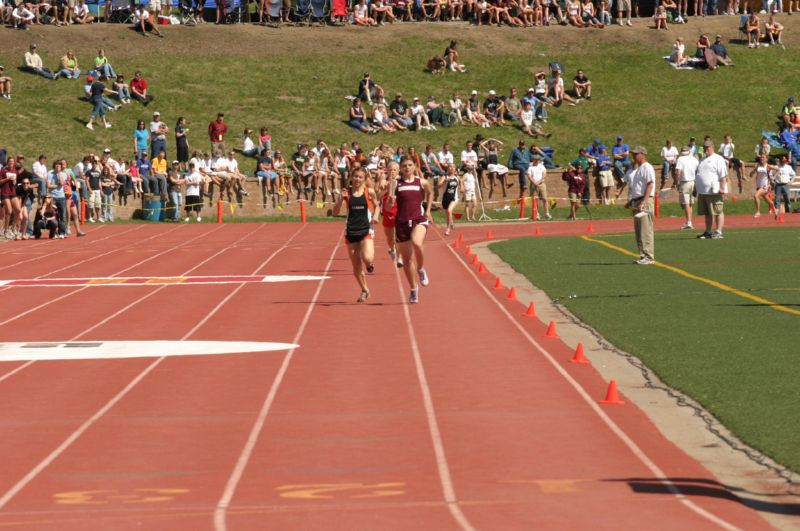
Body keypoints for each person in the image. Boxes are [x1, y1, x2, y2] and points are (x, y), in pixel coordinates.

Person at [388, 157, 432, 304]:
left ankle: (420, 269)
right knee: (406, 260)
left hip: (419, 219)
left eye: (410, 165)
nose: (407, 168)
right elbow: (388, 207)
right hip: (401, 223)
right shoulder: (396, 184)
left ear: (414, 167)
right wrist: (389, 202)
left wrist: (428, 210)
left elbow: (430, 192)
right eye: (404, 165)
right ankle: (413, 289)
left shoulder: (421, 182)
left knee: (417, 243)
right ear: (400, 168)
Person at [333, 168, 378, 303]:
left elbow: (377, 205)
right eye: (355, 177)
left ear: (364, 179)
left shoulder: (368, 192)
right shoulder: (346, 193)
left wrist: (375, 215)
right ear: (351, 177)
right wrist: (340, 200)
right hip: (351, 231)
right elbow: (335, 213)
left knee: (367, 257)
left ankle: (369, 264)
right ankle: (365, 290)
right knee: (356, 267)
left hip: (366, 229)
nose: (357, 179)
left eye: (360, 177)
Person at [626, 146, 656, 265]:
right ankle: (643, 255)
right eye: (633, 154)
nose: (633, 156)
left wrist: (644, 201)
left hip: (644, 201)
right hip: (638, 201)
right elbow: (639, 188)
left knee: (645, 229)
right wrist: (631, 201)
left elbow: (650, 184)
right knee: (639, 231)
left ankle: (649, 256)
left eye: (636, 154)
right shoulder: (639, 169)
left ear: (643, 154)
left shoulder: (647, 167)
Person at [695, 139, 728, 239]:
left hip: (714, 191)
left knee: (718, 211)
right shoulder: (702, 159)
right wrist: (696, 189)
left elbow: (723, 175)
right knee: (708, 212)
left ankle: (718, 231)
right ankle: (708, 231)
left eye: (707, 147)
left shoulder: (718, 159)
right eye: (704, 147)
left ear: (712, 147)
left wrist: (722, 188)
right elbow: (698, 174)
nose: (706, 149)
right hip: (703, 192)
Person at [673, 145, 698, 229]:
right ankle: (689, 221)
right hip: (693, 182)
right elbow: (698, 170)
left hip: (685, 182)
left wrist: (676, 182)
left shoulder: (680, 159)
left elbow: (677, 172)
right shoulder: (694, 159)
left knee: (686, 203)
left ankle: (689, 222)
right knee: (690, 203)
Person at [526, 154, 551, 220]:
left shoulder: (541, 166)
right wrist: (534, 182)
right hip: (533, 184)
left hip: (541, 184)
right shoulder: (530, 167)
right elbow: (529, 176)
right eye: (535, 159)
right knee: (535, 200)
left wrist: (539, 181)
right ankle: (536, 214)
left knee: (545, 199)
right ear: (533, 160)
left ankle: (547, 213)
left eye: (538, 160)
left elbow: (544, 174)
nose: (537, 161)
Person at [439, 164, 460, 235]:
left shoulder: (457, 178)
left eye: (453, 167)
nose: (451, 168)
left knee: (449, 211)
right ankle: (451, 222)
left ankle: (448, 229)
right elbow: (438, 186)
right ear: (448, 169)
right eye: (450, 166)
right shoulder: (444, 177)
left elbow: (461, 185)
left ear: (455, 169)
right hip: (445, 199)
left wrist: (463, 188)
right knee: (448, 214)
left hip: (454, 198)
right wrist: (445, 181)